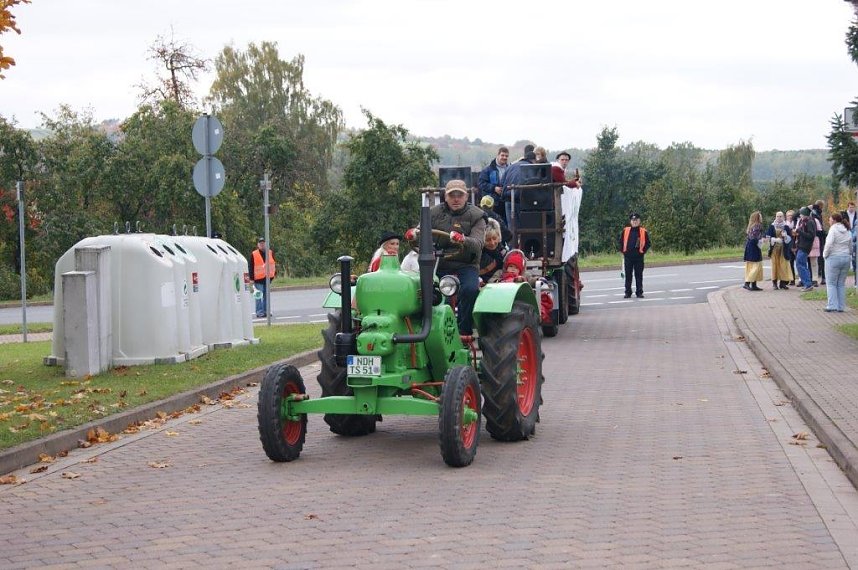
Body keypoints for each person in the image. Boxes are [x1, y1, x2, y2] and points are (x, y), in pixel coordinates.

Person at [407, 179, 486, 336]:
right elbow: (419, 231)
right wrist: (413, 234)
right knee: (424, 291)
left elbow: (478, 243)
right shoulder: (433, 213)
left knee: (470, 289)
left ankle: (464, 330)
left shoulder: (477, 216)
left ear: (466, 197)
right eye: (452, 195)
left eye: (460, 195)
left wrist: (463, 239)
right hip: (439, 262)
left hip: (466, 263)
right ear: (446, 197)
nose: (456, 199)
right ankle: (426, 328)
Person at [822, 212, 852, 312]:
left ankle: (831, 305)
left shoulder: (833, 230)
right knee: (841, 284)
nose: (829, 221)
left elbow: (829, 244)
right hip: (846, 257)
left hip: (834, 257)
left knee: (831, 283)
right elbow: (850, 245)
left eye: (830, 219)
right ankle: (841, 306)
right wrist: (849, 254)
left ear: (834, 220)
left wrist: (825, 255)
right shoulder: (847, 230)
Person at [618, 212, 651, 298]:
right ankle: (628, 292)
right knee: (628, 275)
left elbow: (648, 243)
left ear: (639, 221)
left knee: (638, 275)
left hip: (639, 257)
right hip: (628, 257)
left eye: (636, 220)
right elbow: (620, 242)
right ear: (630, 221)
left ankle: (639, 292)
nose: (634, 222)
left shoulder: (643, 231)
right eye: (633, 220)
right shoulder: (625, 230)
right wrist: (623, 252)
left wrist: (642, 252)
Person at [501, 149, 536, 227]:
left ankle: (513, 239)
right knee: (524, 228)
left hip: (508, 198)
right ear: (533, 160)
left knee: (511, 227)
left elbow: (502, 182)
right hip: (522, 200)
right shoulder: (532, 167)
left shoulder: (511, 166)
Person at [477, 147, 509, 222]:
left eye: (506, 156)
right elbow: (481, 184)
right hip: (493, 204)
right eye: (502, 155)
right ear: (497, 155)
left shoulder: (509, 169)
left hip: (506, 202)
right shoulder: (487, 170)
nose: (504, 157)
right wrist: (494, 188)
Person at [765, 211, 794, 290]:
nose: (779, 218)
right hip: (774, 249)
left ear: (783, 217)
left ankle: (782, 283)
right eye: (778, 216)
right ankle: (774, 283)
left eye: (781, 216)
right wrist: (774, 239)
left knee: (783, 266)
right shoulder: (772, 226)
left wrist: (785, 237)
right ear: (775, 217)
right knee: (775, 266)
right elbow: (767, 237)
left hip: (783, 249)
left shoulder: (786, 227)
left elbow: (790, 239)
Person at [251, 237, 276, 318]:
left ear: (266, 244)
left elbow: (273, 264)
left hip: (268, 278)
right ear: (258, 245)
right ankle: (259, 312)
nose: (262, 244)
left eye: (263, 243)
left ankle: (266, 311)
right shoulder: (254, 254)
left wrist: (273, 275)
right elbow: (251, 267)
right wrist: (251, 279)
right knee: (258, 296)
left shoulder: (270, 252)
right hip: (258, 279)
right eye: (260, 243)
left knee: (266, 296)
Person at [479, 218, 508, 284]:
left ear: (499, 236)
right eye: (488, 240)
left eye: (494, 238)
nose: (492, 243)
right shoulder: (477, 253)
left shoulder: (503, 252)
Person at [794, 207, 817, 291]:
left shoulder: (810, 222)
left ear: (805, 215)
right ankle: (806, 283)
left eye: (801, 214)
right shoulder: (804, 222)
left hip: (805, 246)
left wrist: (799, 231)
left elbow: (811, 236)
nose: (800, 215)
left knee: (801, 264)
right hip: (801, 245)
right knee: (801, 264)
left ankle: (808, 284)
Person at [743, 211, 764, 291]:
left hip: (749, 246)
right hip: (754, 246)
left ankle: (754, 285)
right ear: (757, 217)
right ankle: (747, 283)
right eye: (760, 216)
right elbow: (755, 237)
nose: (761, 217)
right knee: (756, 265)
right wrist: (762, 240)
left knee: (751, 265)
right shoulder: (757, 225)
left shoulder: (751, 226)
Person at [811, 200, 827, 285]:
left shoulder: (815, 213)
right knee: (820, 258)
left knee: (816, 259)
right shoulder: (816, 214)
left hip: (817, 239)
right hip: (819, 239)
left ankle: (820, 276)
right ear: (820, 206)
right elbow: (820, 228)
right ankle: (823, 277)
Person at [784, 209, 797, 285]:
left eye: (791, 215)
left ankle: (793, 279)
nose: (790, 217)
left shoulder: (795, 223)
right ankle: (788, 279)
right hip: (787, 245)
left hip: (794, 244)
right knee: (788, 263)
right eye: (788, 215)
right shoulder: (785, 224)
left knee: (794, 262)